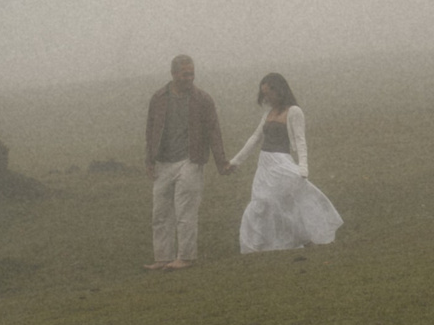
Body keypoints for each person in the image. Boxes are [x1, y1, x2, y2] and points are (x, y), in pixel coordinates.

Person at [227, 72, 343, 252]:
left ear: (279, 90)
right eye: (263, 94)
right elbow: (255, 138)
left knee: (282, 203)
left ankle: (305, 239)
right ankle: (262, 244)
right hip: (264, 165)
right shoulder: (268, 113)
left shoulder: (294, 112)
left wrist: (303, 167)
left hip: (281, 163)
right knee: (262, 204)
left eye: (269, 93)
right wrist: (235, 162)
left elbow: (300, 140)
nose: (266, 97)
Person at [144, 54, 229, 271]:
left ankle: (186, 257)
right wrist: (149, 160)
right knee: (160, 213)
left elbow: (213, 131)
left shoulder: (203, 99)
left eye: (192, 73)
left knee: (185, 212)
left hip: (191, 160)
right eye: (185, 74)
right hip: (163, 163)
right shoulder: (159, 98)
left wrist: (221, 162)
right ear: (173, 74)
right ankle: (163, 258)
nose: (189, 78)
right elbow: (150, 130)